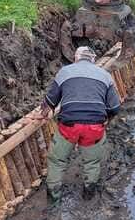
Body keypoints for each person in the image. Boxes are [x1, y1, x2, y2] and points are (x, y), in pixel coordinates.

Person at [37, 46, 121, 205]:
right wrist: (106, 120)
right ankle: (88, 196)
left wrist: (41, 115)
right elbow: (114, 108)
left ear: (76, 58)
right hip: (94, 127)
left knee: (57, 161)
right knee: (92, 162)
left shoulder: (64, 72)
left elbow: (49, 102)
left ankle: (53, 200)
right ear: (93, 60)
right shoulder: (105, 75)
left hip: (69, 125)